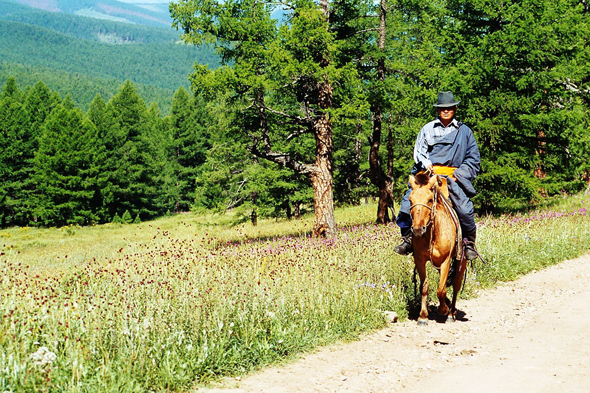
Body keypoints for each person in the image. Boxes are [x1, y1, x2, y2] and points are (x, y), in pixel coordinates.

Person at [394, 91, 481, 260]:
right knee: (407, 206)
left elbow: (473, 158)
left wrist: (458, 175)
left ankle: (468, 244)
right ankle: (408, 239)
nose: (446, 111)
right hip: (427, 177)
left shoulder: (465, 132)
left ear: (455, 108)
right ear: (438, 110)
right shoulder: (427, 129)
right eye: (442, 108)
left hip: (452, 178)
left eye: (449, 108)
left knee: (464, 209)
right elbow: (419, 151)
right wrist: (426, 164)